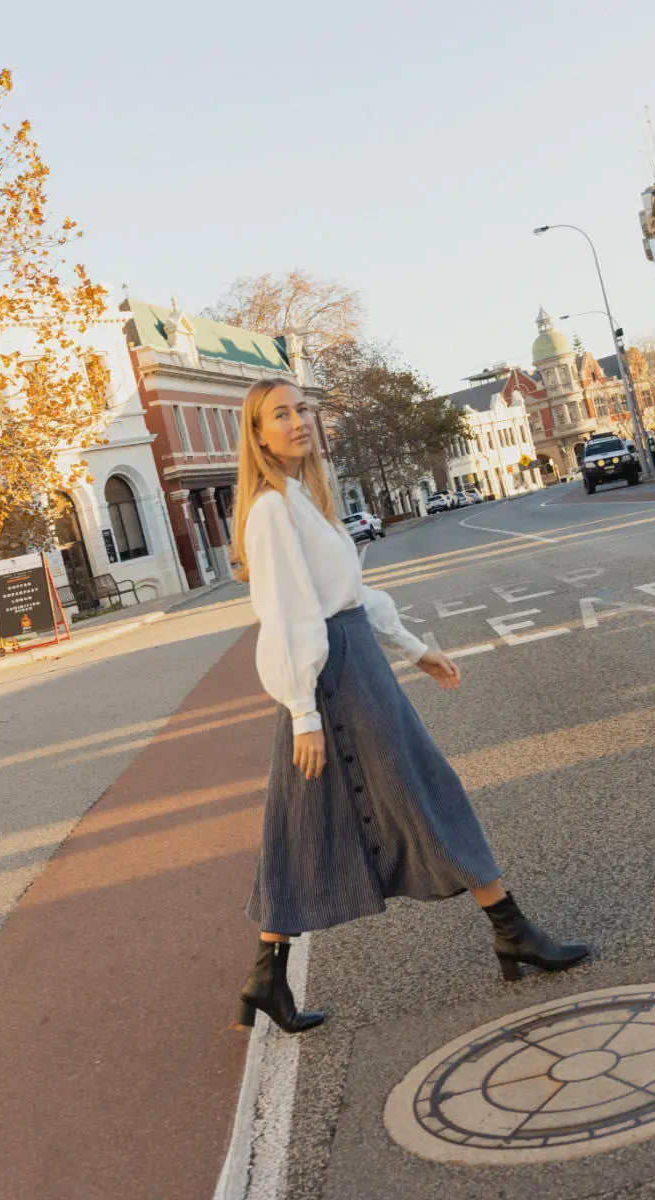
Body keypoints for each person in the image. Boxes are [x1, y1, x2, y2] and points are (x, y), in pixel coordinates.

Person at [230, 377, 589, 1034]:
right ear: (257, 436)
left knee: (305, 813)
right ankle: (510, 927)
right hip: (334, 674)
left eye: (302, 409)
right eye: (279, 415)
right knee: (424, 787)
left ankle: (266, 976)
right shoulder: (271, 510)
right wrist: (305, 712)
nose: (298, 421)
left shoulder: (304, 498)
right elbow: (287, 615)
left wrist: (412, 646)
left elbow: (349, 592)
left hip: (351, 657)